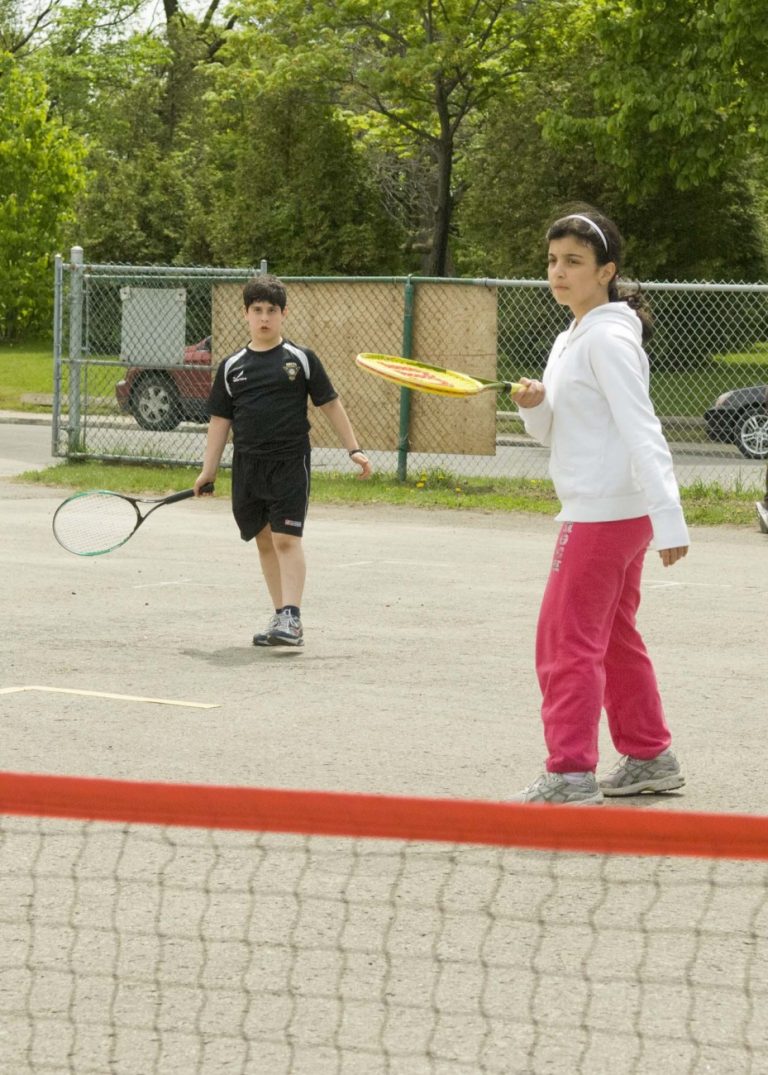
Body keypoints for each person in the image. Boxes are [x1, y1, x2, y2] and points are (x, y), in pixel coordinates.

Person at [509, 208, 689, 805]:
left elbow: (643, 426)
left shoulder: (607, 338)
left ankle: (570, 773)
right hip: (610, 510)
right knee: (611, 637)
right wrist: (536, 405)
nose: (558, 272)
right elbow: (553, 432)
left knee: (564, 641)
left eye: (574, 262)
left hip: (604, 514)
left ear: (606, 271)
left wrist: (670, 517)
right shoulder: (571, 337)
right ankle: (650, 756)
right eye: (552, 261)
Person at [194, 274, 371, 647]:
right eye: (257, 310)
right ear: (245, 314)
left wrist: (353, 448)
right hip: (248, 466)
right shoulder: (231, 366)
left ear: (283, 314)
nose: (264, 318)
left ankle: (292, 617)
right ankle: (281, 616)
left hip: (290, 463)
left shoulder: (301, 359)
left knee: (286, 539)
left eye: (271, 310)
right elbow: (220, 422)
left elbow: (330, 404)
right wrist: (208, 471)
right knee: (263, 540)